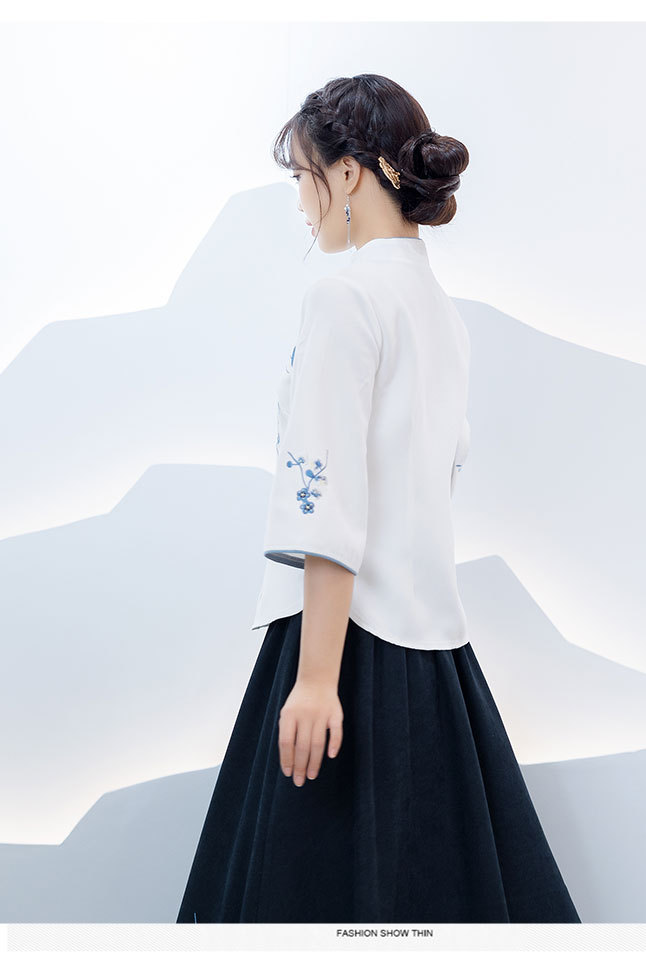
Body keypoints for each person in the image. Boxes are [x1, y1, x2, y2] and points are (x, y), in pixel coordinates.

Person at [176, 73, 581, 924]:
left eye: (302, 175)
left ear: (350, 174)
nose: (300, 202)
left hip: (344, 642)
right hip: (430, 655)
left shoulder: (345, 295)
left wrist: (315, 680)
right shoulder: (438, 310)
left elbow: (326, 495)